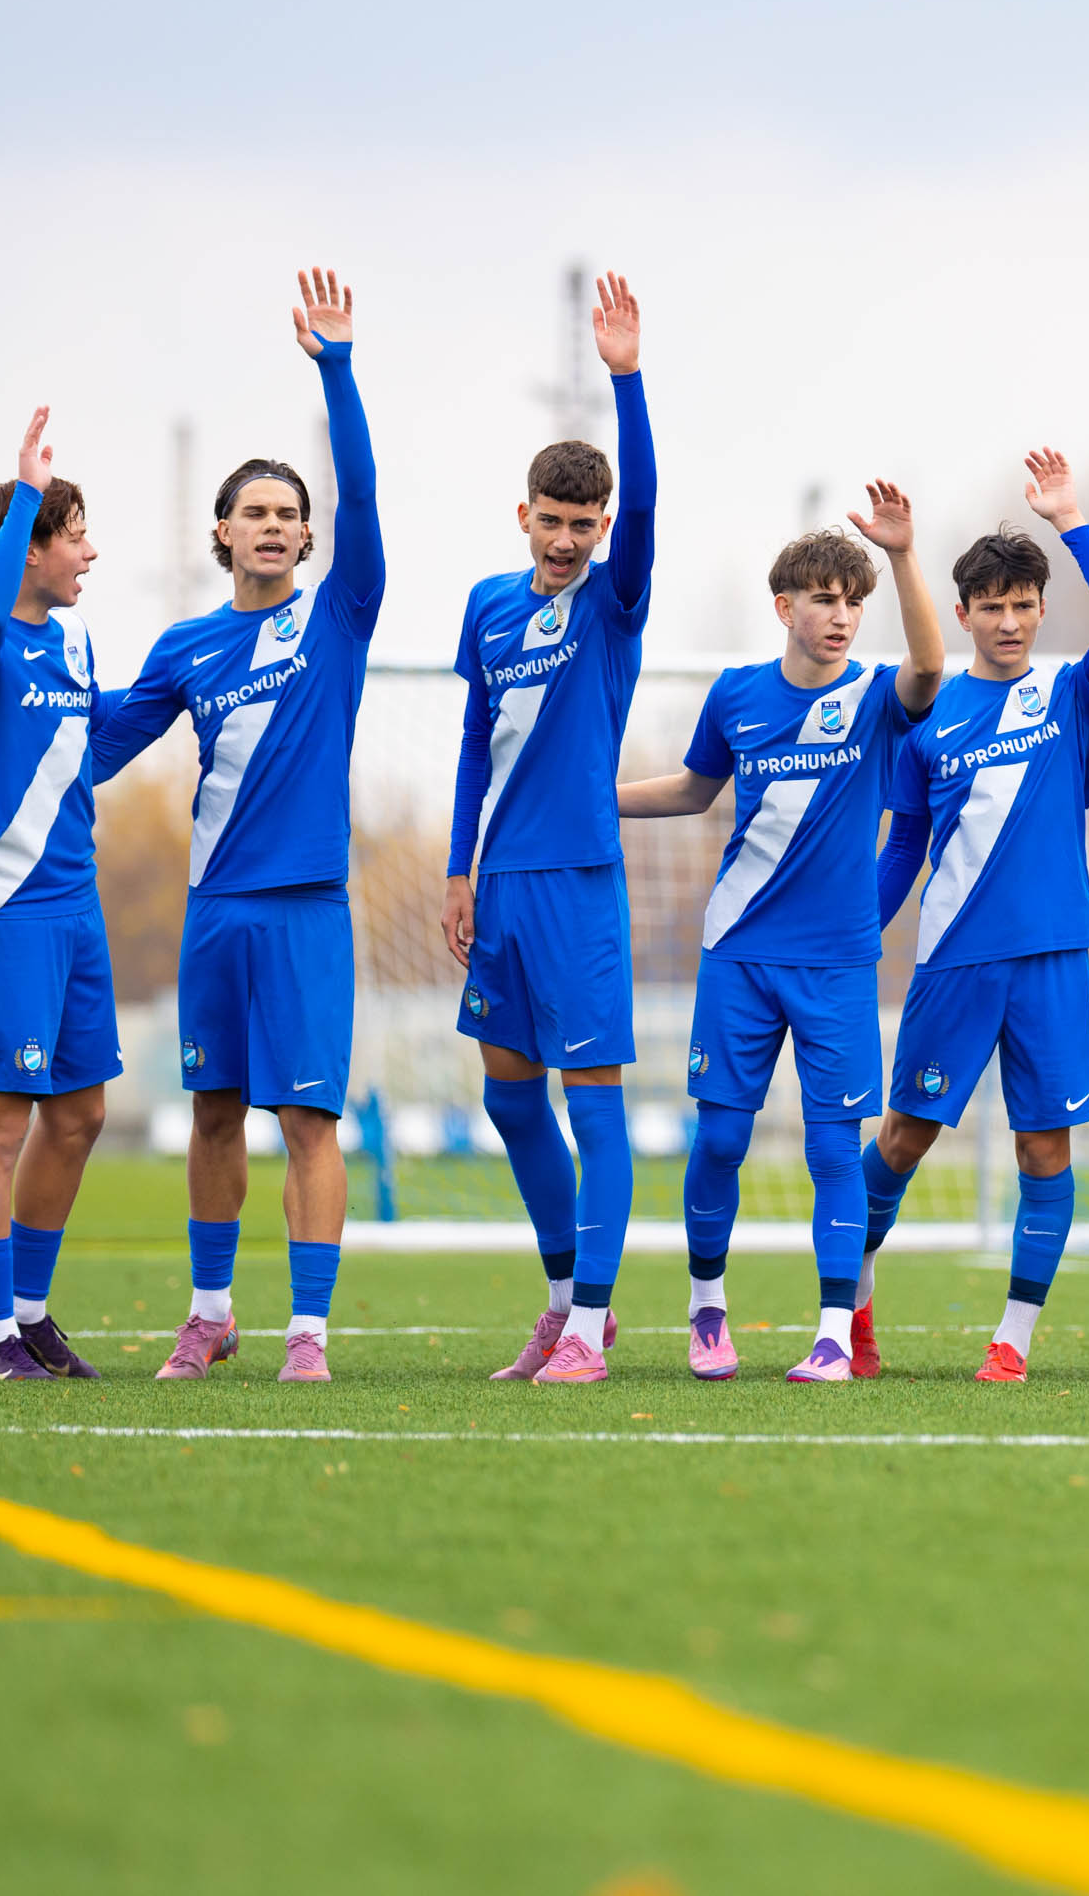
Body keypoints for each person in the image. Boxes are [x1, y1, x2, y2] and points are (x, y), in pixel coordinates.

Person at [95, 269, 385, 1386]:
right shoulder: (183, 648)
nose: (272, 526)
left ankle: (305, 1332)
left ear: (309, 538)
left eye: (288, 514)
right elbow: (97, 750)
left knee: (309, 1122)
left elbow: (362, 497)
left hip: (309, 910)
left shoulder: (340, 616)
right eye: (253, 512)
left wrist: (338, 369)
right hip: (214, 912)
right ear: (221, 532)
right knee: (214, 1113)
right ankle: (209, 1314)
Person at [615, 490, 945, 1383]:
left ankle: (834, 1332)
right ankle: (707, 1309)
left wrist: (905, 555)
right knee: (720, 1140)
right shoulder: (735, 697)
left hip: (838, 964)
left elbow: (927, 664)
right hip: (739, 955)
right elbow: (692, 789)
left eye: (853, 602)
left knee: (834, 1148)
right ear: (785, 608)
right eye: (825, 600)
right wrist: (592, 799)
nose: (841, 617)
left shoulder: (878, 699)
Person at [860, 451, 1089, 1382]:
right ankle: (851, 1303)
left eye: (1027, 604)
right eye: (995, 607)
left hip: (1055, 958)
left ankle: (1012, 1343)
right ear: (966, 615)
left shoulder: (1071, 695)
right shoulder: (929, 724)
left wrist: (1071, 520)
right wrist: (857, 933)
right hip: (952, 960)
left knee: (1043, 1147)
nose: (1013, 621)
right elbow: (904, 849)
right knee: (902, 1139)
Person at [439, 273, 657, 1385]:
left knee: (594, 1096)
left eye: (586, 524)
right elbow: (476, 742)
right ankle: (567, 1296)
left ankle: (588, 1328)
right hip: (502, 884)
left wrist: (626, 379)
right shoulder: (486, 605)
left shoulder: (613, 605)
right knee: (504, 1093)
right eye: (554, 520)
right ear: (522, 514)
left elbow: (650, 505)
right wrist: (456, 869)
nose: (568, 539)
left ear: (602, 527)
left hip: (579, 884)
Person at [0, 408, 121, 1380]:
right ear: (32, 545)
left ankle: (32, 1314)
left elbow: (92, 745)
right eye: (74, 532)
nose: (91, 550)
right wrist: (30, 489)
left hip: (75, 911)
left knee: (80, 1114)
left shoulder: (80, 647)